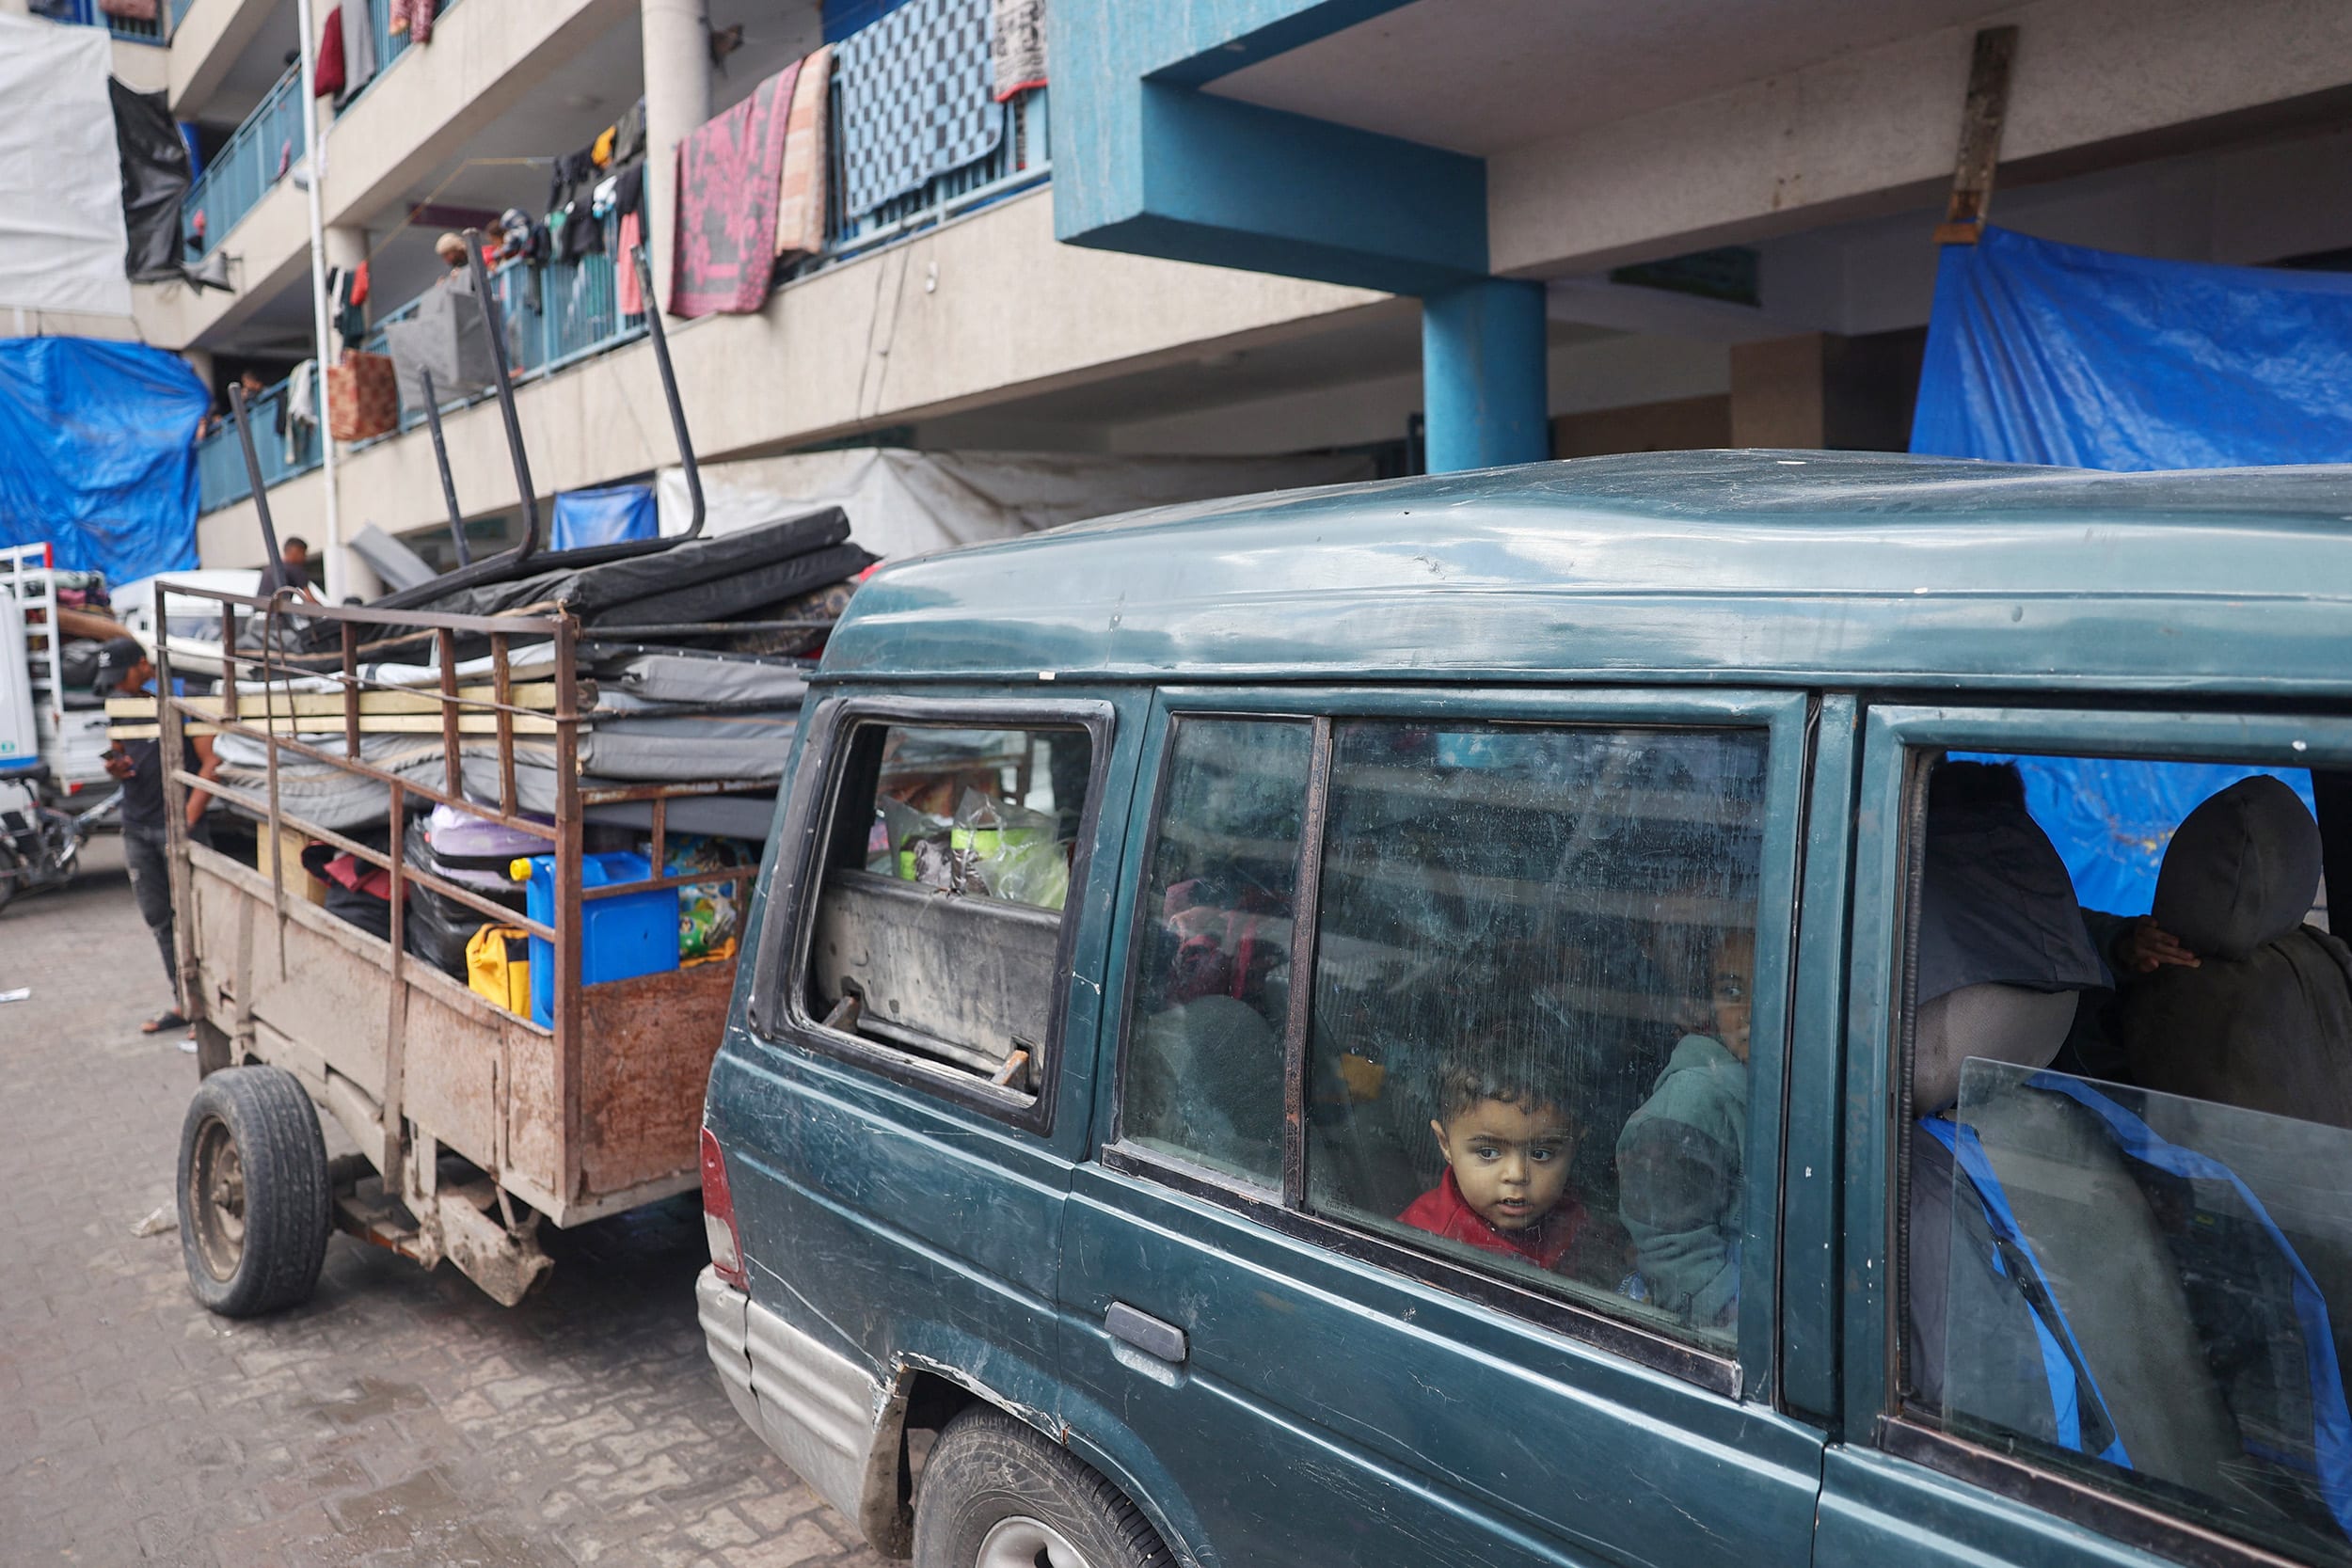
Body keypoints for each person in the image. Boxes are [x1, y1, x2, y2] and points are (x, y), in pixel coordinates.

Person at [1613, 926, 1753, 1329]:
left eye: (1771, 983)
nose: (1750, 1009)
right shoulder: (1689, 1104)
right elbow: (1676, 1256)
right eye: (1731, 991)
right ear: (1704, 1007)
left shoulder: (1789, 1084)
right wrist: (1746, 1329)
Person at [95, 638, 220, 1038]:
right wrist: (117, 767)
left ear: (145, 666)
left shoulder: (181, 697)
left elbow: (211, 764)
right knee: (160, 919)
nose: (118, 685)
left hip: (178, 827)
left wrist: (184, 821)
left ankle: (212, 1010)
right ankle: (184, 1001)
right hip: (136, 826)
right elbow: (119, 753)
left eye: (123, 675)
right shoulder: (120, 704)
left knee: (197, 917)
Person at [1398, 1046, 1584, 1270]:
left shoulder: (1574, 1216)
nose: (1516, 1175)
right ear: (1445, 1144)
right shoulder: (1424, 1242)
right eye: (1488, 1153)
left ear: (1574, 1148)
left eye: (1540, 1154)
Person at [257, 535, 319, 602]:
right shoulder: (295, 569)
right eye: (303, 553)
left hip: (261, 609)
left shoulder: (269, 568)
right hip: (277, 610)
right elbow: (309, 599)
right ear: (296, 552)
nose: (304, 558)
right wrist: (326, 611)